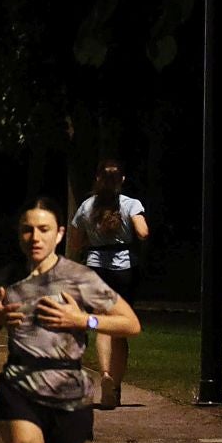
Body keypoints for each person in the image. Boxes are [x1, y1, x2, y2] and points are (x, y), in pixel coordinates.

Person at [0, 196, 141, 443]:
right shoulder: (7, 276)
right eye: (27, 230)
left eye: (44, 229)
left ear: (60, 234)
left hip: (69, 393)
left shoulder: (79, 278)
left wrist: (83, 320)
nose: (35, 237)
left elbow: (131, 323)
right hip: (19, 388)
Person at [66, 160, 150, 409]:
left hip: (96, 268)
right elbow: (143, 232)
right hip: (124, 269)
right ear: (122, 180)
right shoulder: (130, 204)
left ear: (97, 179)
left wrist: (92, 239)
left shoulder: (86, 206)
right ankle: (115, 386)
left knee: (102, 322)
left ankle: (104, 374)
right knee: (120, 327)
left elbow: (75, 244)